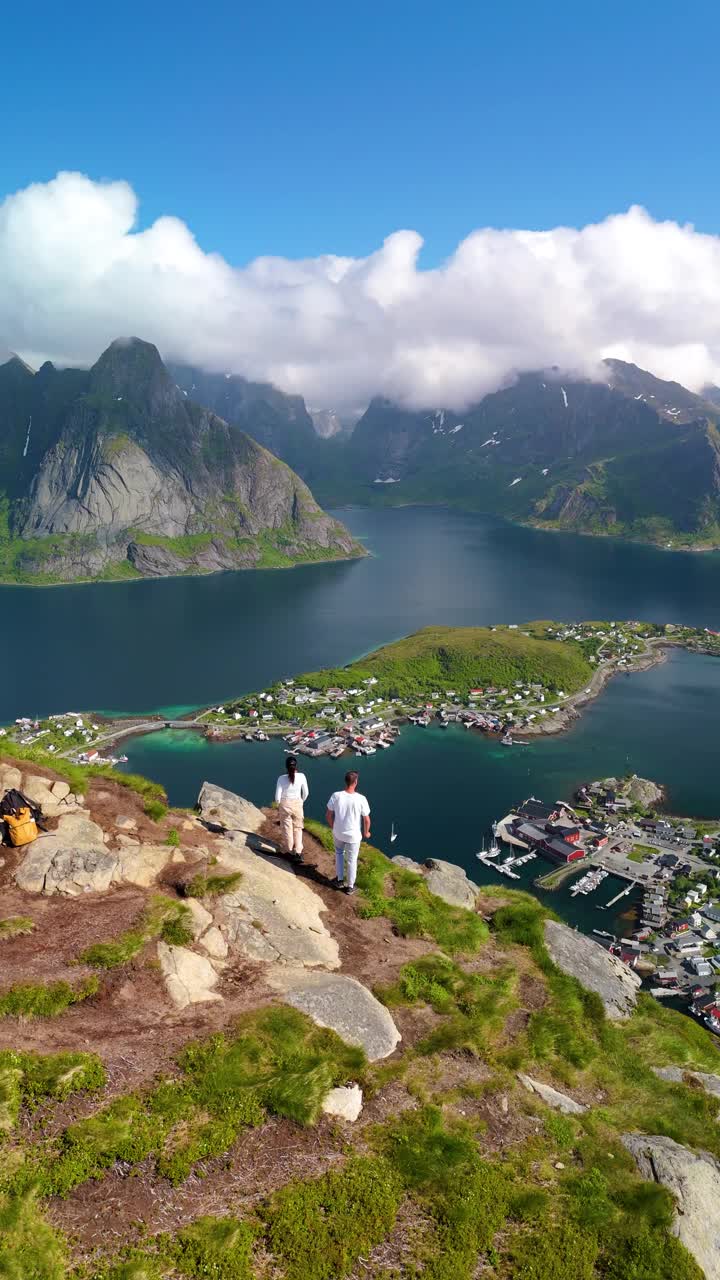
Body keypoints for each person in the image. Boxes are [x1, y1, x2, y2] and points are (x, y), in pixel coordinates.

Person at [326, 770, 371, 895]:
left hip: (338, 833)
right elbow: (366, 820)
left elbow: (328, 815)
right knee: (351, 860)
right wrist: (366, 832)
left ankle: (340, 880)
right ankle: (350, 887)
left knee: (339, 853)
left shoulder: (336, 795)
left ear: (346, 781)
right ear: (355, 782)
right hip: (353, 836)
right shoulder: (361, 798)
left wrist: (333, 827)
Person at [275, 755, 309, 860]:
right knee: (298, 828)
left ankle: (289, 850)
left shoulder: (281, 778)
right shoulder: (302, 776)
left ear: (286, 766)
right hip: (298, 803)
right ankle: (298, 852)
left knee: (287, 828)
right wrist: (301, 801)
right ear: (296, 765)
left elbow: (277, 797)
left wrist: (279, 805)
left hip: (285, 804)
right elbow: (306, 793)